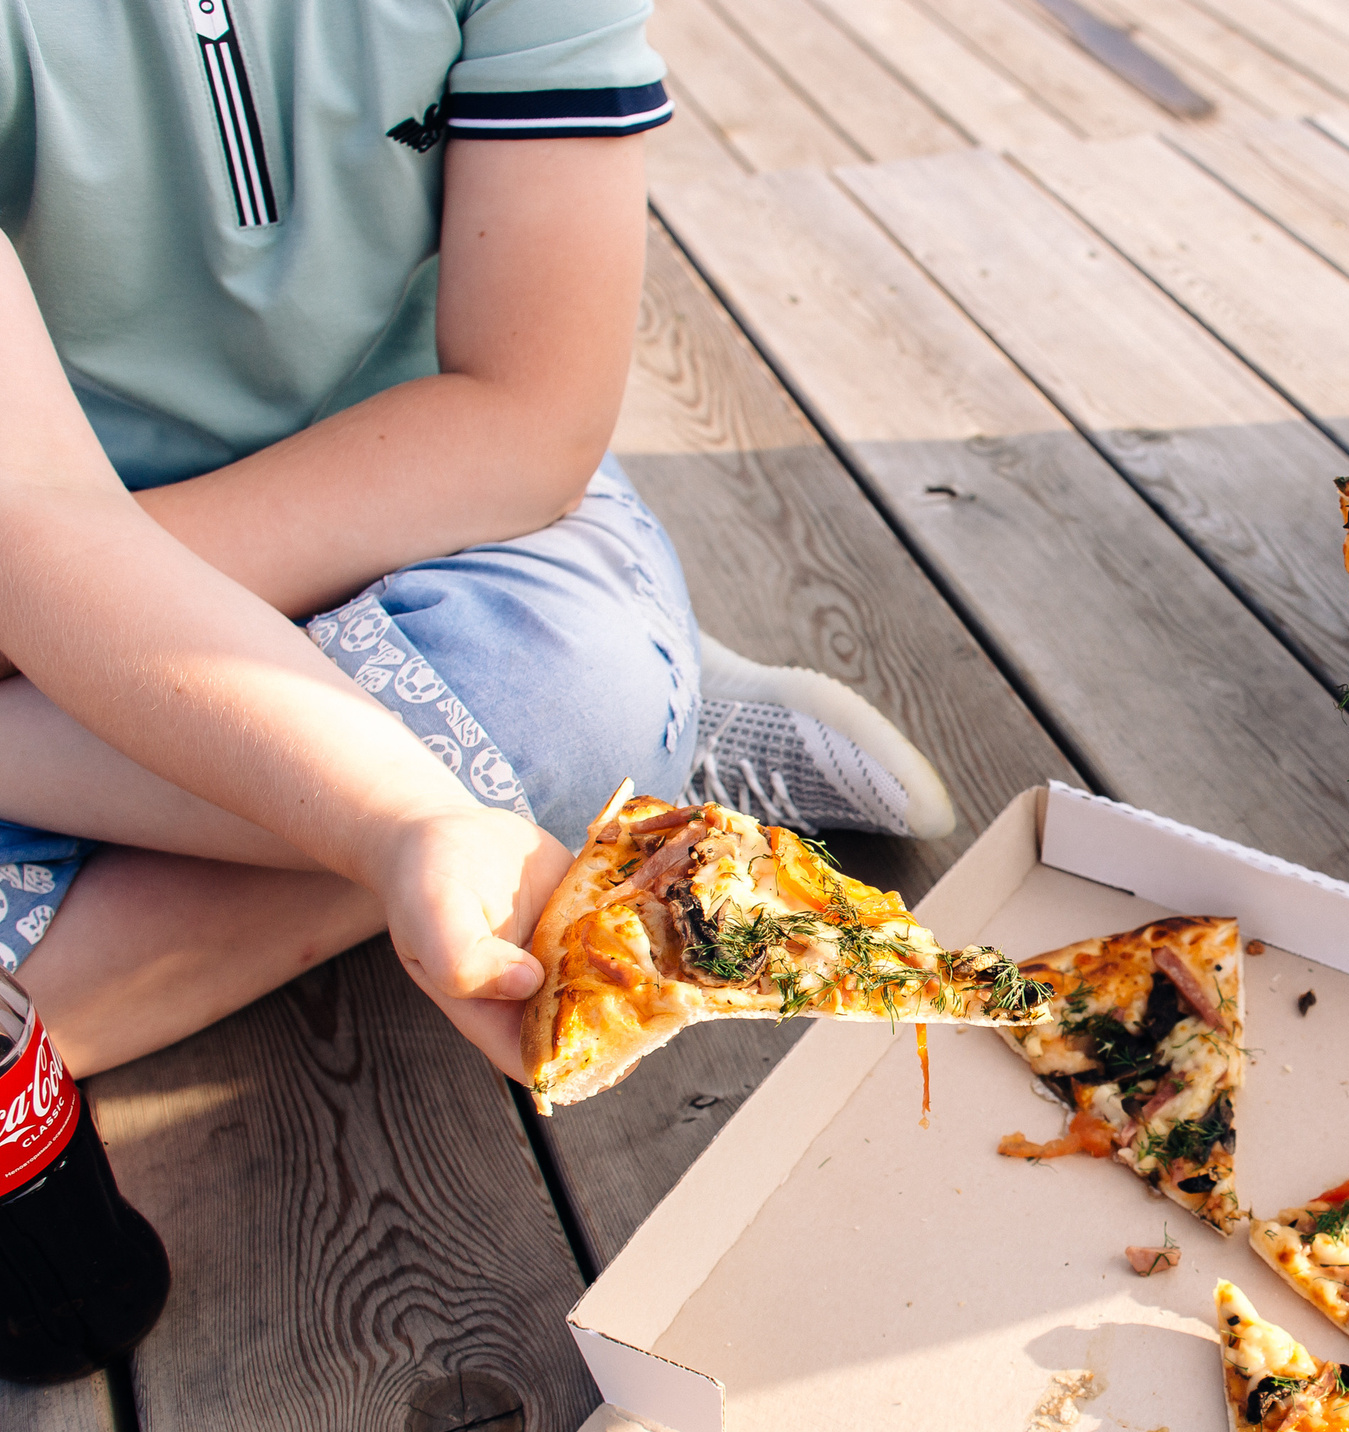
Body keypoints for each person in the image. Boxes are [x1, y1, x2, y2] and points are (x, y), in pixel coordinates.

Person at [0, 1, 950, 1079]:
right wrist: (400, 810)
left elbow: (522, 420)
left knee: (565, 702)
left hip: (426, 520)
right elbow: (29, 510)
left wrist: (403, 814)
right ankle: (630, 782)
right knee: (547, 742)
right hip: (46, 555)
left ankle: (620, 735)